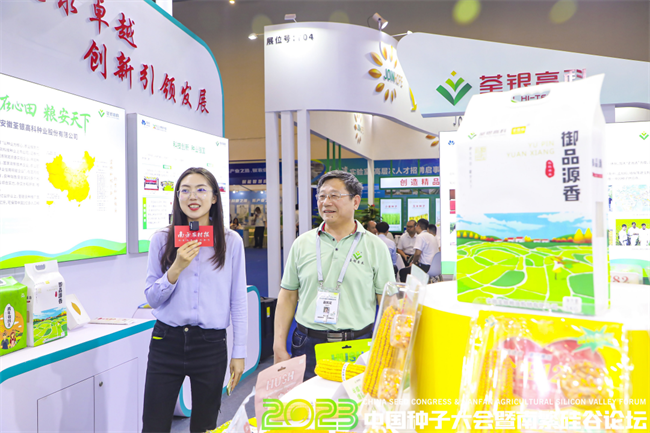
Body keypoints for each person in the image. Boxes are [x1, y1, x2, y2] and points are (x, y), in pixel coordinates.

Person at [142, 167, 248, 433]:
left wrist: (239, 352)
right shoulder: (162, 239)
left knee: (205, 426)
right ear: (177, 196)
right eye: (185, 190)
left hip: (210, 345)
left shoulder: (231, 242)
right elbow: (152, 298)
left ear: (214, 198)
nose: (193, 196)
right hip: (166, 341)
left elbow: (238, 300)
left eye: (201, 189)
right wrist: (176, 268)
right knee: (154, 424)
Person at [273, 170, 395, 380]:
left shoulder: (375, 246)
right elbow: (288, 295)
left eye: (334, 195)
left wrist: (387, 347)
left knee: (353, 401)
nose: (326, 202)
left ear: (355, 201)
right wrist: (278, 345)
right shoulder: (302, 243)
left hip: (358, 344)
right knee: (308, 400)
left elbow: (387, 302)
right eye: (321, 196)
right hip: (307, 343)